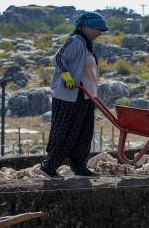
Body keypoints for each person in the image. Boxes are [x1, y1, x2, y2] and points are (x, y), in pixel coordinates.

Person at [36, 11, 109, 179]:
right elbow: (58, 59)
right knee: (65, 132)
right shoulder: (76, 41)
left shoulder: (86, 44)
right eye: (98, 29)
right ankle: (48, 167)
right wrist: (66, 75)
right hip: (70, 96)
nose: (101, 32)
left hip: (86, 96)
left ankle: (80, 168)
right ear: (85, 27)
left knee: (83, 133)